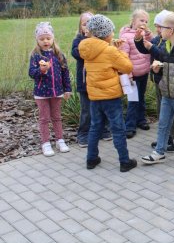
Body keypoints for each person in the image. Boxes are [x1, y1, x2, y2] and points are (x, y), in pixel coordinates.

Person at [78, 14, 137, 172]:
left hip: (95, 97)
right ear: (104, 34)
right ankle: (124, 161)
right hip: (111, 98)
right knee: (117, 128)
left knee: (95, 127)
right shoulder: (110, 51)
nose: (113, 34)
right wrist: (120, 53)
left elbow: (101, 62)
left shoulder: (87, 49)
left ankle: (91, 159)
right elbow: (127, 67)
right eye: (111, 31)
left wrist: (113, 49)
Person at [138, 13, 174, 166]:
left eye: (162, 27)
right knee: (163, 124)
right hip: (166, 95)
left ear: (171, 30)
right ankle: (159, 152)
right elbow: (162, 62)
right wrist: (157, 71)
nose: (159, 30)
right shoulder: (166, 46)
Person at [29, 22, 72, 157]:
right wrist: (41, 70)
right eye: (42, 39)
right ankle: (45, 143)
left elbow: (65, 73)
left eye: (48, 38)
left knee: (57, 117)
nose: (45, 41)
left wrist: (67, 89)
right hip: (41, 94)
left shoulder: (58, 55)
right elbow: (31, 73)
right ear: (37, 40)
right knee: (44, 118)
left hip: (57, 92)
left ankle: (60, 140)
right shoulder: (35, 55)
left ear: (53, 38)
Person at [71, 11, 112, 147]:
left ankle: (104, 130)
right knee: (87, 110)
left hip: (99, 81)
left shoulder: (103, 41)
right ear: (80, 27)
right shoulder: (78, 41)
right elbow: (79, 54)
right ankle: (83, 134)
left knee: (103, 107)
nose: (87, 26)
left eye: (90, 23)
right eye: (84, 24)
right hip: (85, 82)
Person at [149, 10, 174, 153]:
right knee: (161, 111)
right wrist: (140, 41)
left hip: (167, 81)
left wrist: (151, 48)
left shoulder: (171, 42)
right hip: (158, 79)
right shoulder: (157, 39)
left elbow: (162, 56)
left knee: (167, 112)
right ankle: (167, 139)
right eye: (156, 26)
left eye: (160, 26)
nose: (157, 29)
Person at [120, 9, 153, 139]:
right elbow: (124, 56)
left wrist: (149, 35)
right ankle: (130, 126)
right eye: (141, 20)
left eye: (145, 21)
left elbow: (151, 46)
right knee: (133, 100)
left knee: (142, 97)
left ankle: (141, 120)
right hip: (132, 74)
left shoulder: (144, 35)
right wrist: (127, 73)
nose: (143, 23)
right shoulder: (126, 36)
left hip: (143, 72)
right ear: (133, 21)